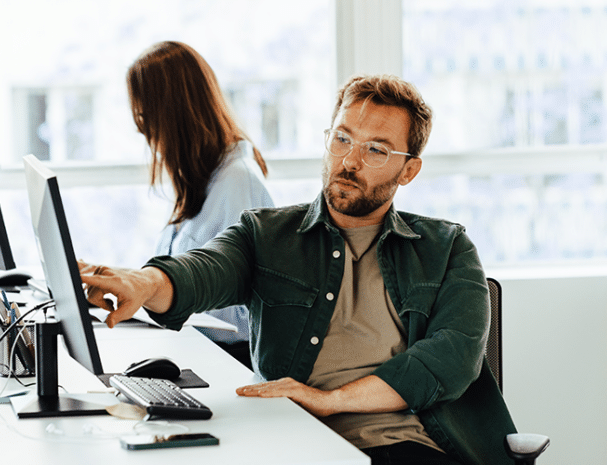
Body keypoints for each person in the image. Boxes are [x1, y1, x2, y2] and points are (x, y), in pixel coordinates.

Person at [81, 74, 517, 465]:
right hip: (294, 442)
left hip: (410, 446)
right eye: (342, 139)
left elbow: (451, 359)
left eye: (376, 150)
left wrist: (330, 401)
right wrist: (144, 282)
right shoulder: (267, 235)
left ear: (409, 170)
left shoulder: (447, 249)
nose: (350, 161)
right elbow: (203, 271)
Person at [126, 40, 274, 368]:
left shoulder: (237, 181)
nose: (144, 132)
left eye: (145, 117)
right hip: (193, 349)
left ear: (173, 115)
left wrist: (161, 295)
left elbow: (239, 310)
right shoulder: (200, 178)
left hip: (225, 359)